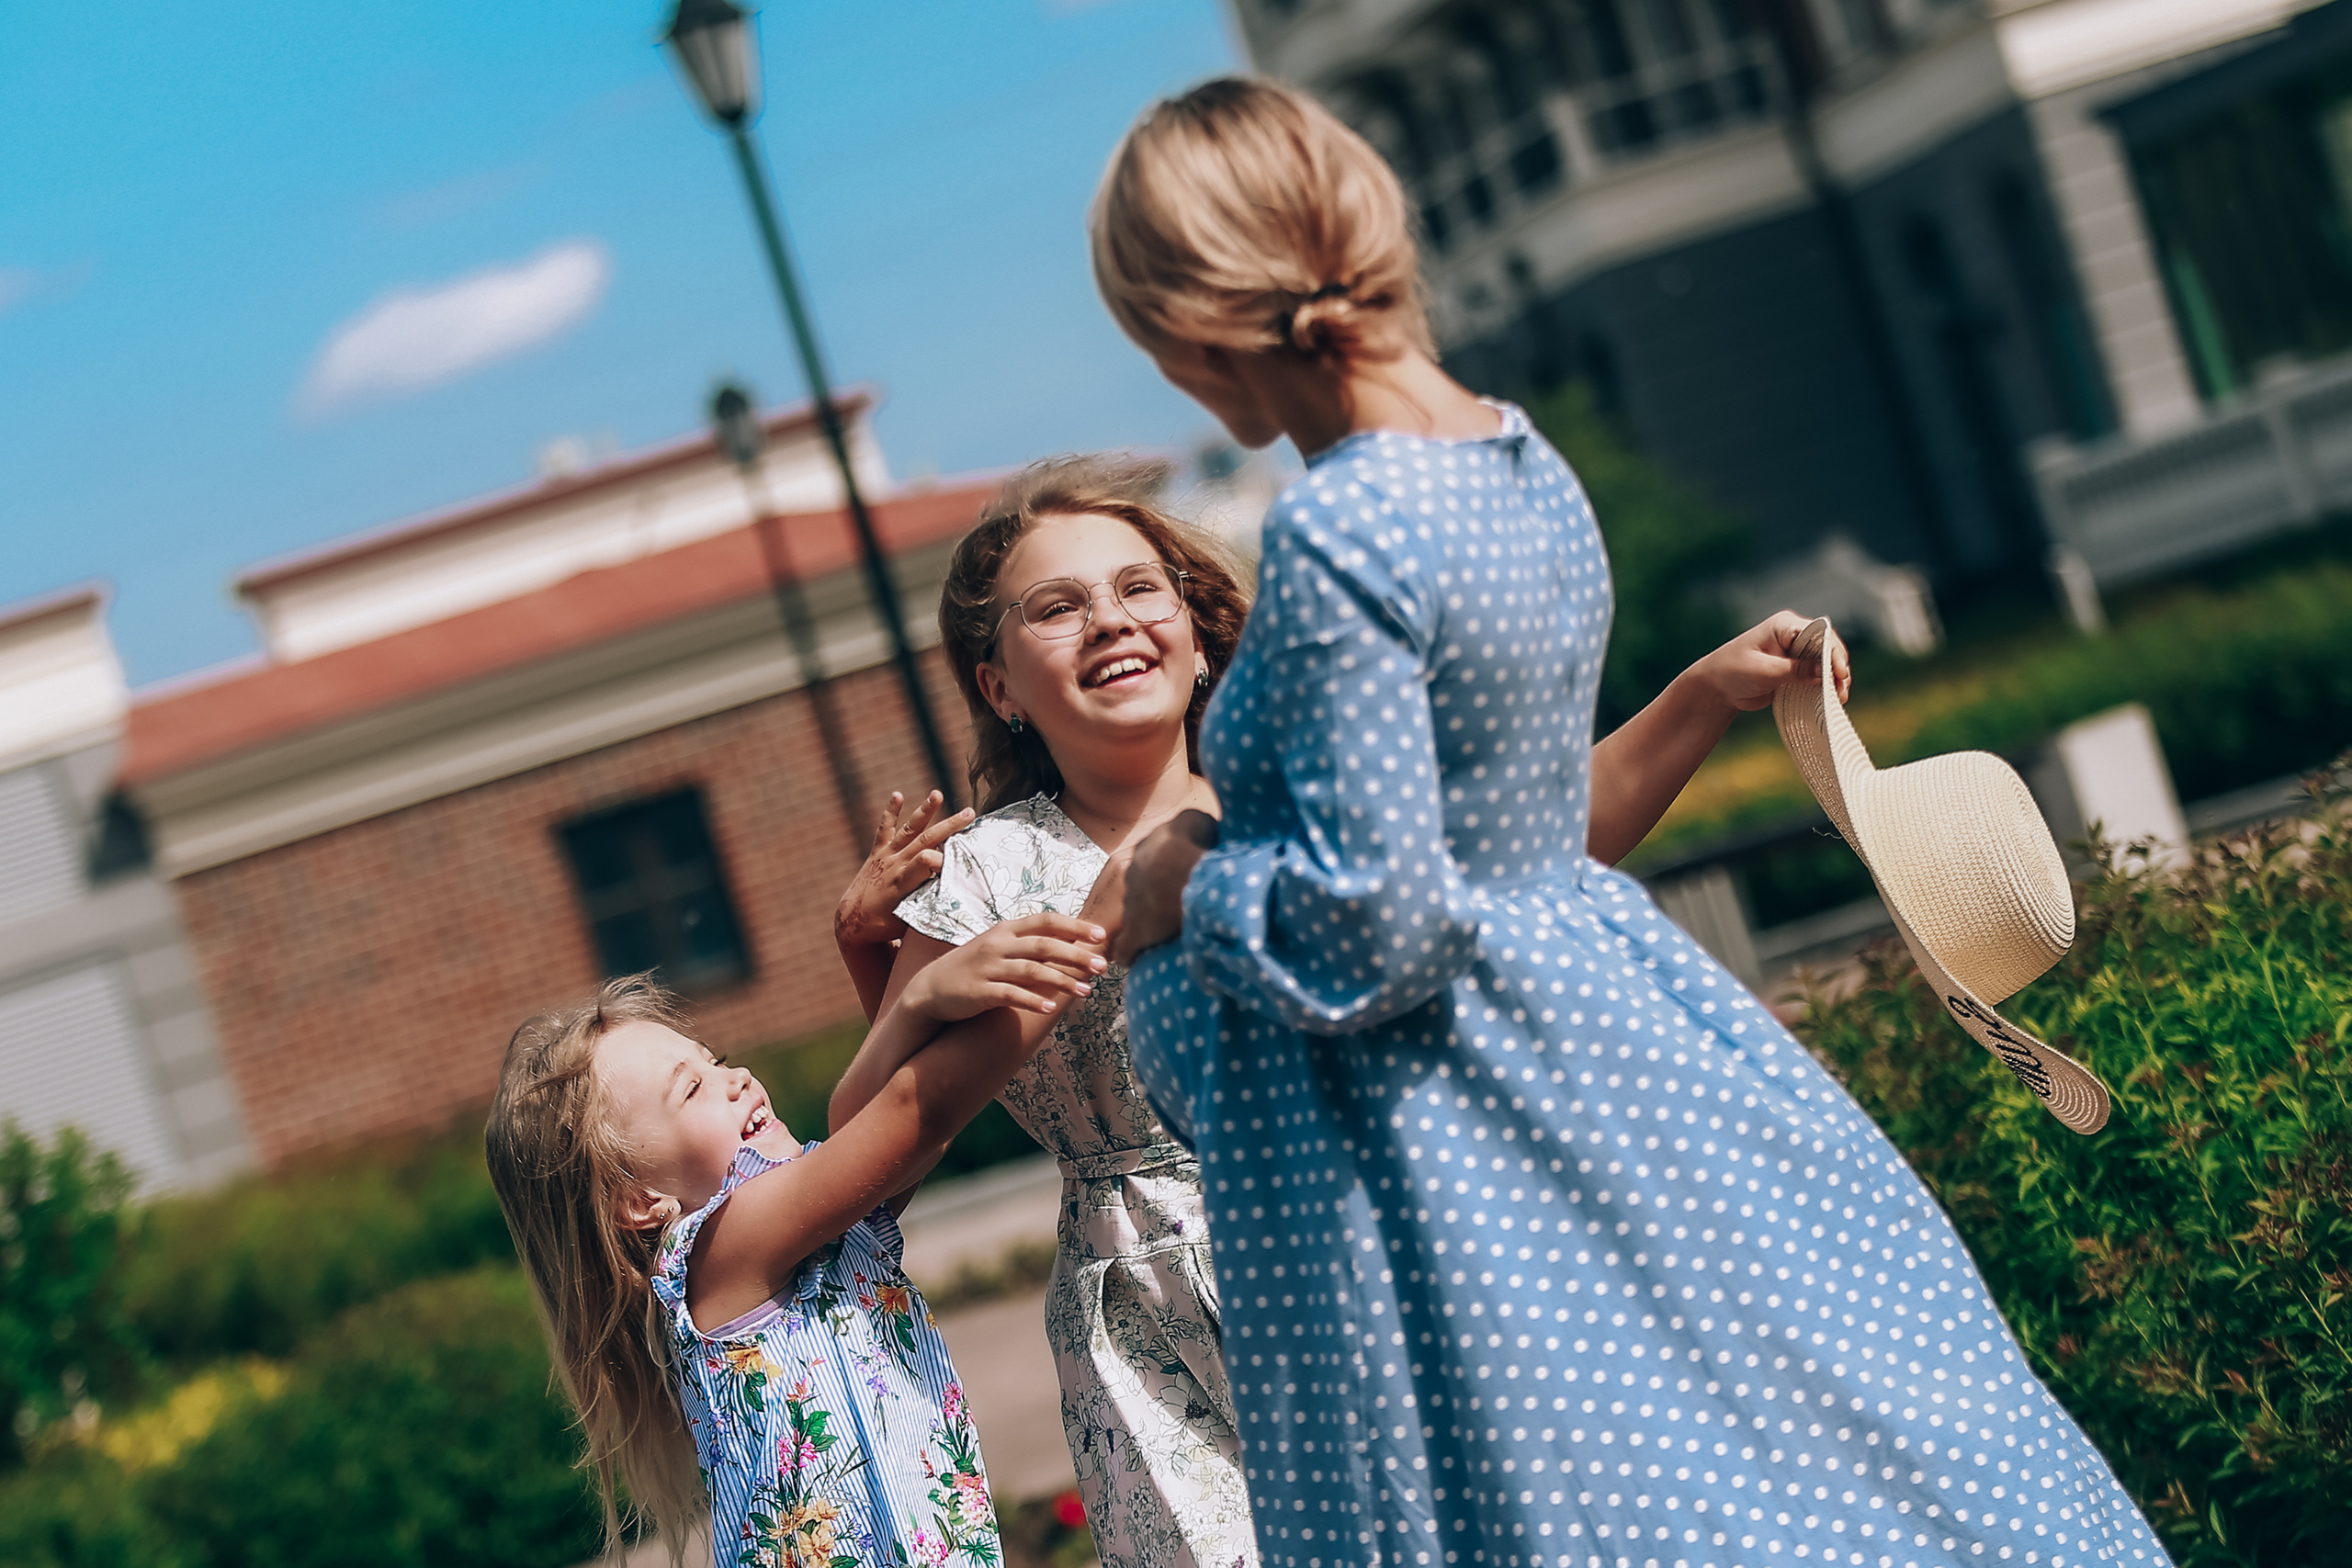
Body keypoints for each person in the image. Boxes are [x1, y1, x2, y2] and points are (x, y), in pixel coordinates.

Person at [1091, 76, 2173, 1568]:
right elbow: (1513, 835)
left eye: (1150, 336)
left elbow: (1382, 925)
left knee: (1580, 1502)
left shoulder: (1346, 524)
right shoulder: (1519, 463)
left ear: (1197, 322)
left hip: (1452, 1132)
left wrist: (1185, 885)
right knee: (1784, 1448)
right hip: (1606, 1045)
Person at [830, 457, 1261, 1568]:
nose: (1108, 619)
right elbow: (863, 1155)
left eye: (1138, 587)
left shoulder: (1289, 801)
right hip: (1139, 1309)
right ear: (999, 689)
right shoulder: (984, 873)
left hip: (1331, 1232)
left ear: (1197, 635)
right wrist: (915, 996)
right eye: (1057, 607)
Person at [484, 913, 1105, 1568]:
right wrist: (1096, 928)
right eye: (692, 1089)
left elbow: (895, 1126)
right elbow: (917, 1112)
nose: (737, 1077)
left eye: (714, 1060)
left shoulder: (808, 1234)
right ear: (639, 1201)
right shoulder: (718, 1256)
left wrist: (869, 946)